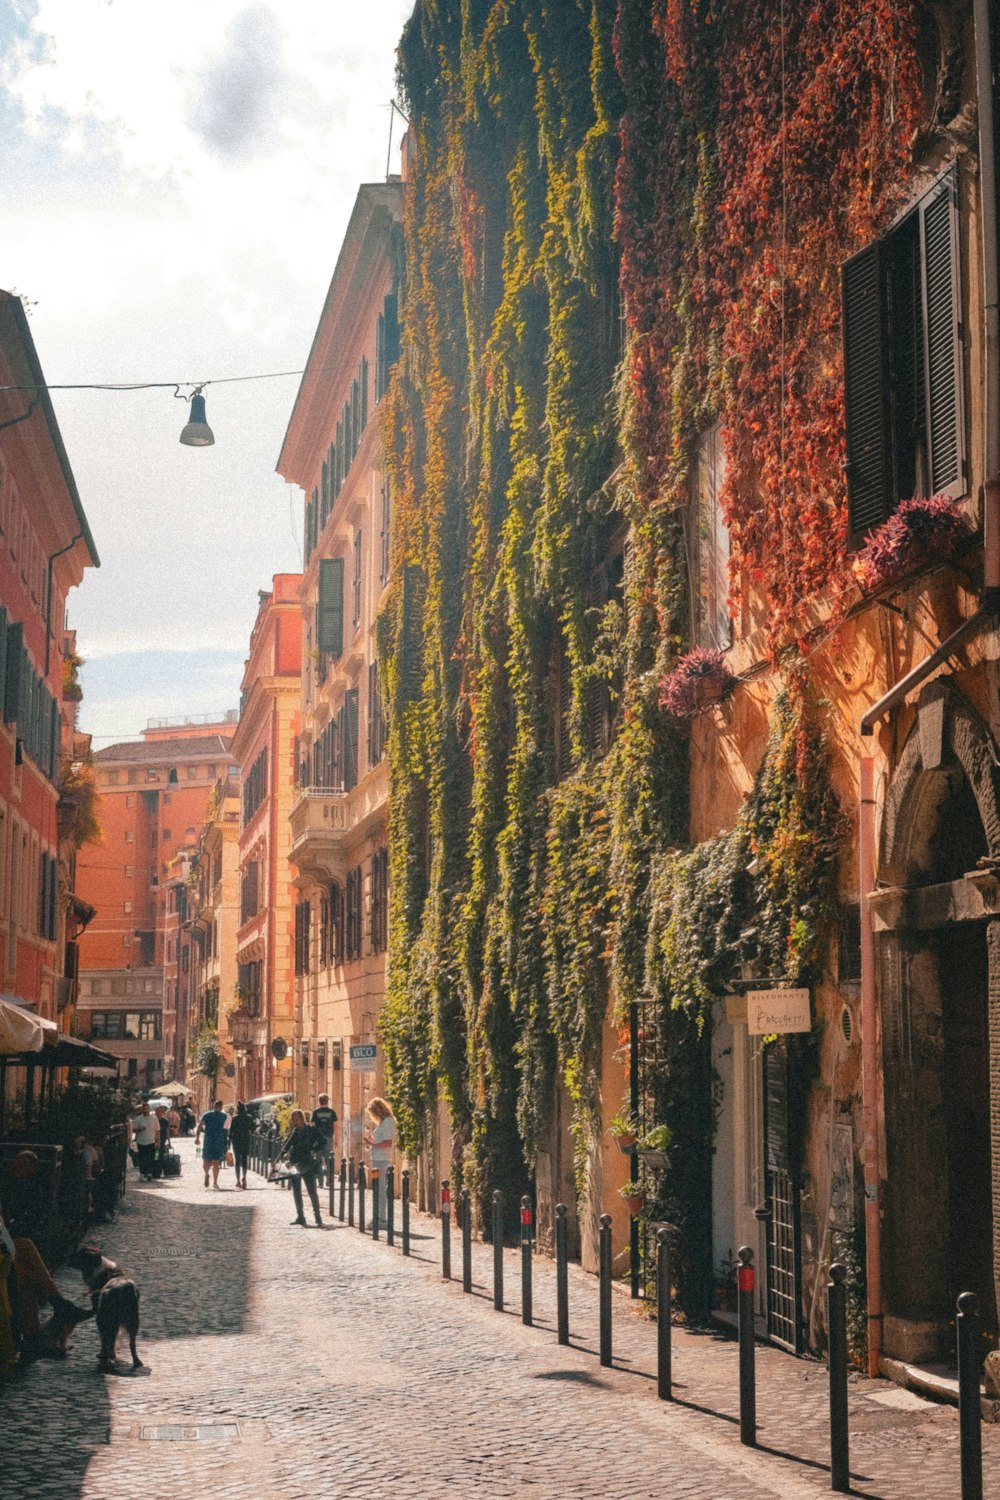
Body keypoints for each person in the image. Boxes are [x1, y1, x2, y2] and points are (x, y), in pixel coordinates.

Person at [278, 1109, 324, 1227]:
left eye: (297, 1120)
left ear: (303, 1119)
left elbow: (323, 1141)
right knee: (296, 1192)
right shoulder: (294, 1132)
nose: (295, 1122)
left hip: (307, 1163)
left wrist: (314, 1150)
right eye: (293, 1120)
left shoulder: (311, 1130)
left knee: (312, 1192)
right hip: (294, 1164)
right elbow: (286, 1146)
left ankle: (318, 1218)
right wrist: (284, 1154)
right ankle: (300, 1217)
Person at [363, 1096, 396, 1229]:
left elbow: (388, 1143)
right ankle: (377, 1216)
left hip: (381, 1161)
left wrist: (371, 1143)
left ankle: (382, 1219)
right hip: (376, 1160)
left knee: (380, 1189)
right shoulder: (383, 1122)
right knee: (377, 1188)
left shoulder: (388, 1122)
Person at [196, 1099, 230, 1190]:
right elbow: (226, 1130)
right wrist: (226, 1143)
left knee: (205, 1160)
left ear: (213, 1106)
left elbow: (200, 1126)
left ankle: (207, 1173)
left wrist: (197, 1138)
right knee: (216, 1163)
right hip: (218, 1141)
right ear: (221, 1106)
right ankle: (215, 1182)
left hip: (208, 1141)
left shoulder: (206, 1115)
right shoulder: (224, 1116)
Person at [311, 1093, 338, 1186]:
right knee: (328, 1160)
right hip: (328, 1139)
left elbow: (313, 1126)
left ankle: (320, 1182)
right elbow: (335, 1126)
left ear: (319, 1101)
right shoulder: (332, 1112)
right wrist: (336, 1139)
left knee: (318, 1160)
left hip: (318, 1139)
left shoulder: (315, 1112)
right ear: (327, 1101)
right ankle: (329, 1181)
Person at [129, 1102, 158, 1182]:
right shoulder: (138, 1119)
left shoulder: (154, 1118)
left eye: (147, 1109)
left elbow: (157, 1130)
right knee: (142, 1158)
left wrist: (158, 1142)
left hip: (151, 1141)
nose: (146, 1110)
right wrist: (139, 1129)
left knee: (150, 1158)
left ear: (149, 1109)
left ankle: (149, 1173)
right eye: (144, 1109)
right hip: (141, 1141)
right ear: (142, 1110)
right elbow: (133, 1130)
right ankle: (142, 1173)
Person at [228, 1101, 252, 1190]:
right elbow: (253, 1128)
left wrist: (229, 1141)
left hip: (236, 1141)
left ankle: (238, 1180)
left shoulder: (235, 1119)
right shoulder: (249, 1118)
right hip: (246, 1140)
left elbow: (231, 1131)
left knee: (237, 1161)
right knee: (245, 1160)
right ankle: (244, 1177)